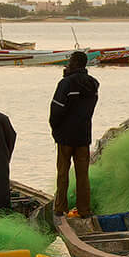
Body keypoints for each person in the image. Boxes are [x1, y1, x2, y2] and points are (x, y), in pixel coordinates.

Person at [49, 50, 99, 216]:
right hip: (83, 135)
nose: (67, 64)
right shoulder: (92, 85)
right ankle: (84, 209)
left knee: (63, 173)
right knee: (83, 175)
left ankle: (60, 207)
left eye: (70, 61)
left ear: (76, 63)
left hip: (65, 136)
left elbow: (56, 110)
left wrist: (55, 128)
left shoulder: (66, 83)